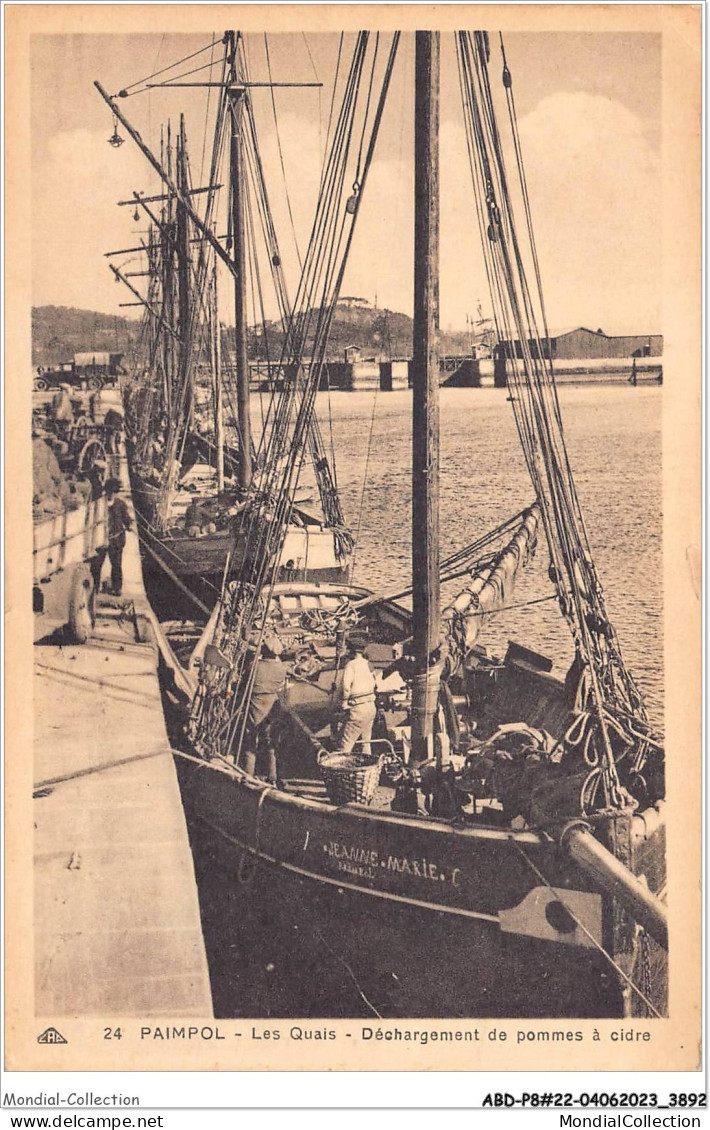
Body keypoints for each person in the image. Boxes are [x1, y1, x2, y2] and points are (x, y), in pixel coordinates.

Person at [242, 635, 287, 784]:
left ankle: (248, 775)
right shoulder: (282, 668)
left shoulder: (254, 665)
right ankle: (272, 776)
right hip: (272, 705)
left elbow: (244, 683)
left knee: (251, 740)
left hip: (256, 704)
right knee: (270, 742)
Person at [333, 633, 377, 756]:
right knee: (366, 742)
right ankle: (367, 766)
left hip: (358, 709)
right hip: (370, 707)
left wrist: (344, 703)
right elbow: (375, 683)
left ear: (352, 651)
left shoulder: (351, 665)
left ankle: (342, 771)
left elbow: (346, 687)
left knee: (345, 744)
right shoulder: (368, 664)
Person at [93, 477, 132, 596]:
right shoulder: (99, 504)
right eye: (110, 491)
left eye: (115, 492)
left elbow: (126, 519)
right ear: (106, 491)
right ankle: (94, 589)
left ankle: (117, 588)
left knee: (116, 565)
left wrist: (129, 524)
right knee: (97, 565)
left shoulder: (121, 504)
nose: (112, 494)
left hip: (116, 540)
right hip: (100, 539)